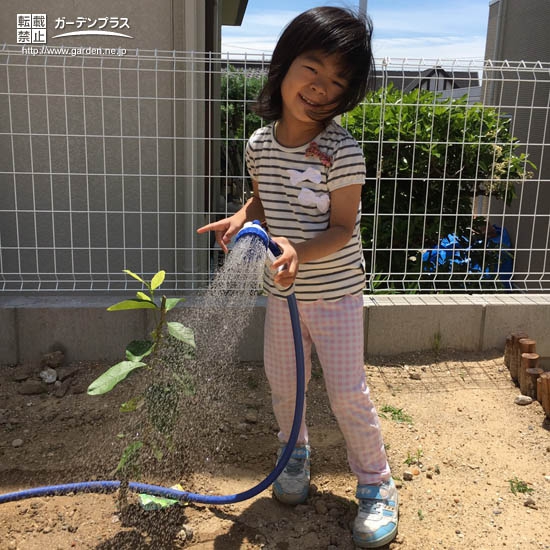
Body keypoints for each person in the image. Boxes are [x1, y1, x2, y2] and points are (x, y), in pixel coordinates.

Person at [197, 6, 397, 548]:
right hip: (281, 293)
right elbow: (265, 197)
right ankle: (294, 457)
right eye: (313, 68)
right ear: (285, 65)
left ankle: (377, 485)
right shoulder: (259, 144)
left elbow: (341, 229)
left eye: (338, 81)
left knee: (347, 393)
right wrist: (243, 216)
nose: (321, 87)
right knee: (286, 387)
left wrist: (297, 251)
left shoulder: (341, 152)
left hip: (334, 294)